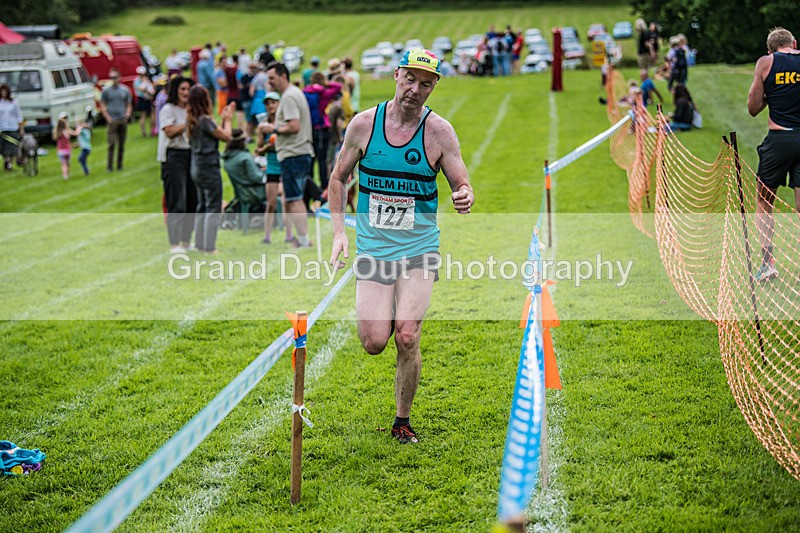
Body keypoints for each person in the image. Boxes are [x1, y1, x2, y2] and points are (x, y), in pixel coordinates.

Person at [328, 49, 474, 444]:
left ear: (434, 87)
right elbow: (338, 178)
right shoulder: (363, 125)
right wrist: (340, 233)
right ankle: (389, 303)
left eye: (425, 83)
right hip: (375, 249)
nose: (415, 89)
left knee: (407, 335)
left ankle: (402, 421)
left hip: (418, 249)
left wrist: (464, 195)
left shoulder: (439, 132)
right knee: (375, 342)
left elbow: (462, 182)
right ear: (396, 76)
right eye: (410, 79)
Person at [747, 27, 800, 281]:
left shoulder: (766, 63)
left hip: (779, 140)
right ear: (794, 43)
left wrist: (771, 93)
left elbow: (753, 107)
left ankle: (768, 263)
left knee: (765, 202)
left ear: (770, 50)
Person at [261, 62, 315, 248]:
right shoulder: (292, 94)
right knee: (294, 198)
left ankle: (303, 239)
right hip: (297, 152)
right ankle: (302, 238)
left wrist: (273, 128)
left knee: (294, 199)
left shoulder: (290, 97)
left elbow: (294, 126)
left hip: (294, 153)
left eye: (272, 78)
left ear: (283, 76)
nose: (269, 82)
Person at [187, 85, 234, 254]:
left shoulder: (192, 120)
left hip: (196, 166)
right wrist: (228, 120)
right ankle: (209, 247)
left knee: (202, 205)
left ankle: (199, 243)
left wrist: (222, 121)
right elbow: (226, 137)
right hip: (208, 166)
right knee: (213, 205)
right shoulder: (205, 120)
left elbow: (217, 133)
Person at [158, 76, 197, 254]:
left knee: (192, 200)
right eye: (182, 89)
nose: (185, 93)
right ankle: (174, 243)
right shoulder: (168, 110)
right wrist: (188, 123)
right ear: (175, 91)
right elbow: (170, 132)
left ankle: (187, 241)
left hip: (190, 154)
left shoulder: (191, 110)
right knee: (177, 200)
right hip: (173, 157)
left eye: (188, 89)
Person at [304, 72, 342, 191]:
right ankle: (324, 186)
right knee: (322, 160)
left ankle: (308, 184)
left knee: (311, 158)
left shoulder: (305, 92)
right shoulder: (323, 94)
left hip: (309, 129)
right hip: (321, 129)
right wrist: (325, 83)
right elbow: (338, 87)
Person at [255, 91, 284, 244]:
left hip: (285, 163)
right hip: (272, 165)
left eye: (273, 102)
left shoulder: (284, 124)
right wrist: (267, 146)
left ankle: (290, 235)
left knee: (287, 200)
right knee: (271, 202)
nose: (270, 106)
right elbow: (257, 150)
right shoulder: (263, 126)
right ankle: (267, 236)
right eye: (267, 103)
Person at [222, 128, 266, 209]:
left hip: (241, 193)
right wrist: (265, 172)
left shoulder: (228, 157)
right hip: (253, 193)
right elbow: (256, 177)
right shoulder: (244, 157)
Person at [99, 68, 132, 172]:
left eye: (115, 77)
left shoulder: (125, 90)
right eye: (111, 78)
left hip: (122, 120)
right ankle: (109, 166)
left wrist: (127, 115)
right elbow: (102, 105)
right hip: (112, 121)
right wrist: (108, 118)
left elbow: (129, 104)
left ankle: (119, 164)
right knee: (111, 144)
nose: (113, 79)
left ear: (119, 78)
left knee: (121, 144)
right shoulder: (106, 91)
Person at [0, 83, 23, 171]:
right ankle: (7, 161)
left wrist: (21, 128)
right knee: (4, 147)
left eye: (4, 91)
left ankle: (9, 163)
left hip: (12, 127)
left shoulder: (14, 102)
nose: (3, 93)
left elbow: (19, 115)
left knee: (12, 147)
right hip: (2, 128)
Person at [52, 113, 76, 180]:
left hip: (61, 151)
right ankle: (68, 173)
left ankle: (65, 175)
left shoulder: (57, 132)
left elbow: (54, 137)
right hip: (67, 150)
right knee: (67, 163)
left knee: (63, 164)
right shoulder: (66, 131)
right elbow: (73, 134)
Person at [134, 66, 155, 137]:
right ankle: (143, 131)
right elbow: (141, 89)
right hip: (142, 99)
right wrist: (145, 83)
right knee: (143, 115)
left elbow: (152, 90)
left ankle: (152, 130)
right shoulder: (137, 81)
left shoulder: (146, 80)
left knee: (152, 113)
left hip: (148, 99)